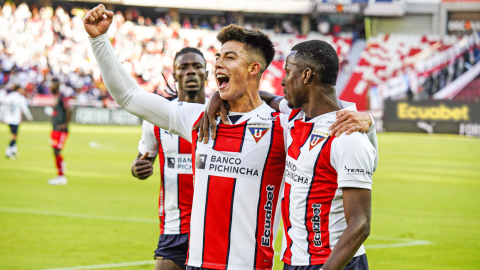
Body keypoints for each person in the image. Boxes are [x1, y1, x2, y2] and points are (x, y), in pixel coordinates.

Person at [84, 5, 374, 269]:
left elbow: (328, 125)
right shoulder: (200, 120)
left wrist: (368, 122)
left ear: (253, 69)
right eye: (218, 57)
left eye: (230, 57)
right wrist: (99, 40)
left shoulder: (284, 126)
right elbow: (130, 97)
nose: (218, 63)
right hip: (197, 264)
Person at [198, 41, 378, 270]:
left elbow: (360, 224)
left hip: (334, 263)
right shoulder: (294, 117)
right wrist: (219, 96)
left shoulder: (347, 135)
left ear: (306, 75)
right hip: (294, 261)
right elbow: (262, 97)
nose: (282, 81)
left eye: (288, 72)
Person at [131, 47, 208, 270]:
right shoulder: (156, 118)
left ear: (207, 73)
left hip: (213, 225)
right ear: (174, 75)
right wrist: (138, 169)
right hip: (174, 226)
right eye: (183, 67)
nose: (191, 72)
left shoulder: (223, 114)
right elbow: (142, 160)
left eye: (197, 67)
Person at [47, 80, 71, 185]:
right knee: (55, 151)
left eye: (51, 85)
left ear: (56, 86)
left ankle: (62, 177)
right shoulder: (56, 98)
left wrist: (65, 124)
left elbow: (69, 109)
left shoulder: (62, 97)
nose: (50, 87)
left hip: (61, 129)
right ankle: (59, 175)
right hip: (55, 129)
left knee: (57, 150)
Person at [1, 85, 33, 159]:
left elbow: (3, 107)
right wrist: (29, 117)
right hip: (15, 119)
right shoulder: (20, 98)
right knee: (14, 135)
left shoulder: (8, 97)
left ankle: (13, 151)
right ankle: (8, 151)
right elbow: (24, 108)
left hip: (8, 119)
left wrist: (2, 117)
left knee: (14, 134)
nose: (22, 91)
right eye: (21, 89)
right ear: (18, 89)